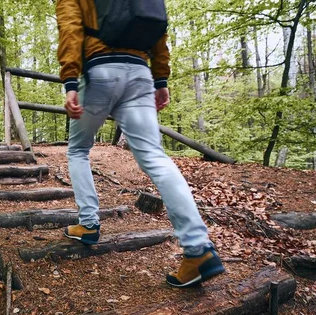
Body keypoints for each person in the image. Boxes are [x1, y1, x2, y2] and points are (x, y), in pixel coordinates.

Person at [56, 0, 225, 287]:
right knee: (156, 158)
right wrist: (161, 78)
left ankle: (88, 224)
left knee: (78, 150)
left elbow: (70, 28)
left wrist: (70, 81)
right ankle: (198, 250)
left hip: (99, 72)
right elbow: (158, 26)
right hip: (139, 74)